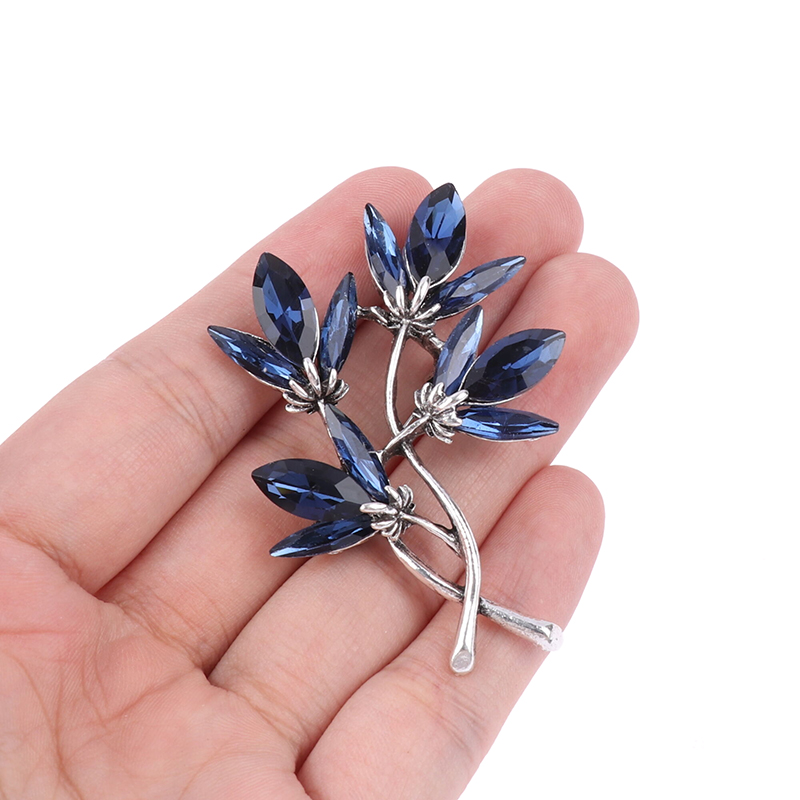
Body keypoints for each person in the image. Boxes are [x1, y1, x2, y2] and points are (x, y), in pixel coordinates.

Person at [0, 167, 637, 798]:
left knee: (402, 477)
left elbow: (398, 411)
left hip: (409, 407)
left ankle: (479, 607)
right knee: (388, 484)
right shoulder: (351, 391)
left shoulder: (406, 358)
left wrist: (424, 393)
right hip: (375, 428)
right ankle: (483, 609)